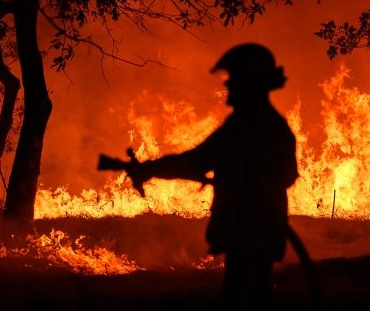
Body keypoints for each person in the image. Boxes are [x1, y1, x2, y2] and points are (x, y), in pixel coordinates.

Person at [103, 44, 298, 309]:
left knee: (243, 298)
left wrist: (150, 169)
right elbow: (196, 162)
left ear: (249, 82)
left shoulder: (249, 126)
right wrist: (149, 168)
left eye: (234, 79)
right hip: (259, 231)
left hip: (251, 230)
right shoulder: (263, 124)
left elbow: (194, 162)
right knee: (252, 296)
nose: (229, 86)